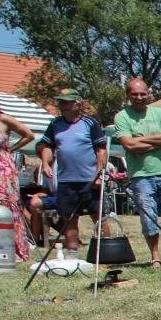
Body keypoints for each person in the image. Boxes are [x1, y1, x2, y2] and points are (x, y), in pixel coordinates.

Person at [112, 78, 161, 268]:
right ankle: (155, 258)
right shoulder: (122, 117)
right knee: (149, 219)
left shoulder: (160, 113)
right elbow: (129, 145)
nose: (139, 97)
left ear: (149, 93)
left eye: (142, 93)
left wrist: (141, 141)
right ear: (128, 95)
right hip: (140, 175)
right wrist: (156, 141)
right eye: (134, 94)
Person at [35, 88, 106, 259]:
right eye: (61, 102)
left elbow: (101, 151)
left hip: (89, 179)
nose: (63, 106)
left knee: (98, 215)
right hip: (66, 180)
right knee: (69, 217)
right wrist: (45, 163)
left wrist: (99, 175)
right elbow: (47, 147)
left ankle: (104, 250)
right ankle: (72, 252)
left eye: (67, 102)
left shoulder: (90, 123)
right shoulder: (55, 124)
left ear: (78, 104)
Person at [0, 84, 36, 263]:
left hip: (2, 171)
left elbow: (29, 135)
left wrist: (10, 149)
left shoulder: (3, 119)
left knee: (6, 206)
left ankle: (15, 249)